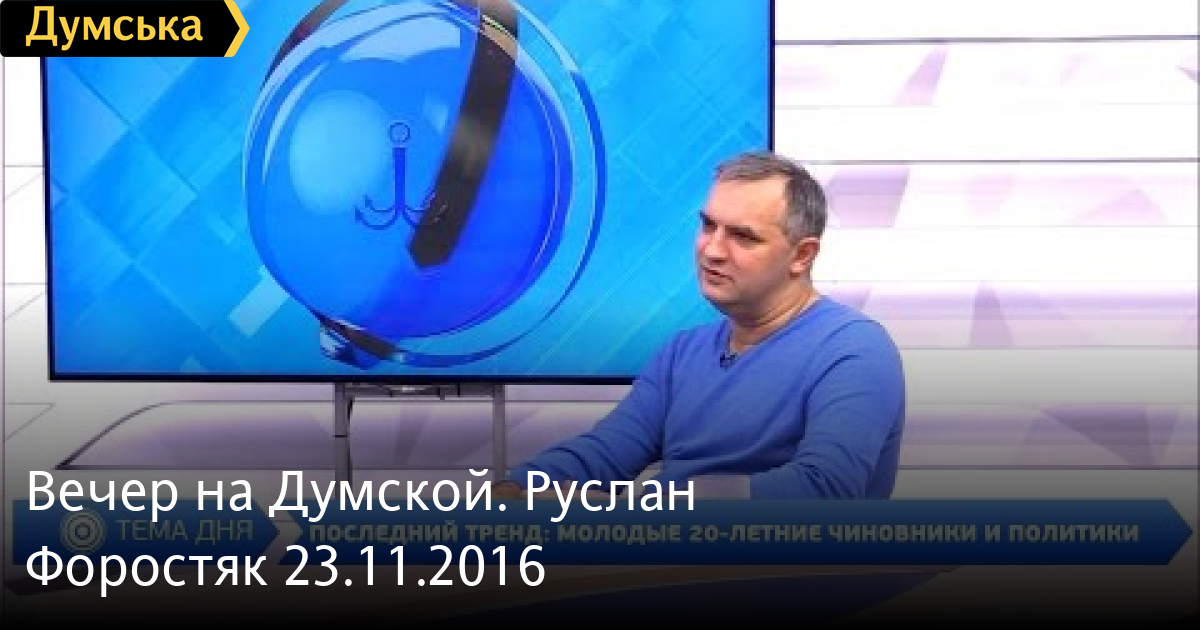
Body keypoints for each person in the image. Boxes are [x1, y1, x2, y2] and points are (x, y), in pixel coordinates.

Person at [494, 150, 906, 500]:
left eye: (742, 236)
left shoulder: (854, 350)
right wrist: (512, 490)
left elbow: (824, 490)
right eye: (709, 225)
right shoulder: (683, 352)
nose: (712, 250)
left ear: (802, 255)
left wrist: (655, 506)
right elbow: (605, 453)